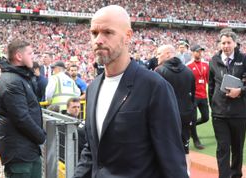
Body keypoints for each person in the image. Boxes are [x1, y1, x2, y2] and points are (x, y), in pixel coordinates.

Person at [73, 5, 189, 178]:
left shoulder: (154, 87)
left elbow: (171, 160)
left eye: (107, 32)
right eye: (94, 33)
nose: (98, 40)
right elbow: (92, 150)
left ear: (128, 36)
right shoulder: (93, 88)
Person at [208, 29, 246, 178]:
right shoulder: (213, 61)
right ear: (219, 43)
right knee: (222, 148)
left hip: (239, 113)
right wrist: (213, 106)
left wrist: (241, 90)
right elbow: (211, 87)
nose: (226, 45)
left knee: (237, 149)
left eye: (229, 42)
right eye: (223, 42)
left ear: (235, 43)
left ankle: (236, 175)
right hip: (219, 114)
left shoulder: (245, 60)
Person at [0, 39, 46, 178]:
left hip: (28, 150)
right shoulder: (12, 81)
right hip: (19, 154)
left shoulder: (19, 78)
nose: (33, 57)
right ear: (19, 56)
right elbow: (21, 118)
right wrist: (41, 136)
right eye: (30, 53)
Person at [155, 44, 195, 155]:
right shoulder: (189, 71)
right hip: (185, 116)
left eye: (159, 54)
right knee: (185, 151)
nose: (156, 56)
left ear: (168, 54)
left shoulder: (159, 71)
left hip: (166, 119)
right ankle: (186, 172)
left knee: (166, 153)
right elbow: (192, 97)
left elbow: (154, 99)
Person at [187, 44, 209, 150]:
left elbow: (209, 80)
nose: (199, 53)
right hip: (193, 96)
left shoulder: (206, 65)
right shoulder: (188, 66)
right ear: (192, 52)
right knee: (193, 119)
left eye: (201, 51)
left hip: (203, 96)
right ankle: (196, 140)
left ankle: (191, 128)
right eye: (197, 51)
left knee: (206, 117)